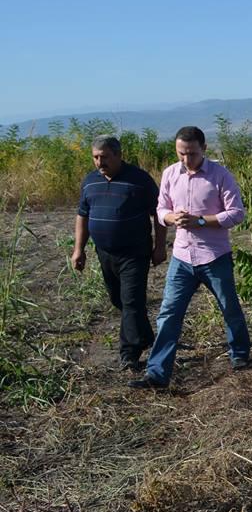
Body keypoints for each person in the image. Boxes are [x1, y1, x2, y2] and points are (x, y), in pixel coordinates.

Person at [130, 126, 250, 389]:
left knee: (229, 307)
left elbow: (236, 213)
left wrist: (200, 221)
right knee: (169, 314)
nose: (186, 160)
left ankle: (240, 353)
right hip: (182, 257)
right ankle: (157, 373)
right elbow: (161, 208)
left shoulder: (220, 175)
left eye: (192, 154)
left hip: (214, 256)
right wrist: (171, 218)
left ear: (204, 149)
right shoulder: (171, 174)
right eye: (181, 153)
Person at [72, 135, 167, 371]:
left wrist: (160, 246)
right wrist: (78, 249)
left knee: (131, 301)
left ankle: (129, 353)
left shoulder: (139, 180)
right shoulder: (90, 182)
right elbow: (82, 215)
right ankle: (145, 336)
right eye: (95, 157)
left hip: (135, 252)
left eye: (104, 157)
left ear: (118, 155)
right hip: (105, 252)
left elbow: (160, 213)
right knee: (119, 300)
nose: (99, 162)